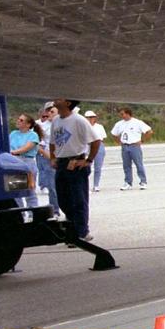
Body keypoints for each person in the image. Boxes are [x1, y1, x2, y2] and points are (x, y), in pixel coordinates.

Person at [49, 98, 102, 241]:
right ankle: (72, 228)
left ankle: (82, 231)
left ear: (67, 103)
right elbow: (52, 142)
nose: (56, 100)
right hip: (61, 163)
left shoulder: (79, 120)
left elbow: (96, 141)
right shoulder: (56, 121)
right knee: (63, 199)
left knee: (79, 199)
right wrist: (53, 158)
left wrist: (88, 160)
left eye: (61, 99)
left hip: (75, 161)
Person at [110, 107, 152, 190]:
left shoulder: (137, 122)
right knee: (126, 165)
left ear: (128, 113)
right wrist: (119, 142)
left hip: (134, 146)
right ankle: (128, 182)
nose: (122, 116)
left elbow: (149, 131)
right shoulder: (119, 124)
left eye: (123, 114)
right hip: (125, 146)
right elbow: (114, 134)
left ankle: (143, 181)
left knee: (138, 164)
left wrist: (142, 140)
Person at [8, 113, 42, 208]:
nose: (18, 121)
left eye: (21, 120)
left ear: (28, 124)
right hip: (14, 162)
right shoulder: (13, 133)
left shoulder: (33, 135)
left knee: (29, 191)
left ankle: (33, 213)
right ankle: (20, 214)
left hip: (26, 162)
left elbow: (26, 148)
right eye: (18, 119)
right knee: (15, 191)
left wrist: (13, 152)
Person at [36, 104, 59, 216]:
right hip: (48, 157)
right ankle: (55, 210)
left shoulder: (64, 124)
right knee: (52, 186)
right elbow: (38, 144)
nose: (49, 113)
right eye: (48, 111)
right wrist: (50, 156)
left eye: (52, 111)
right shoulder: (41, 126)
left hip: (63, 156)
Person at [84, 110, 107, 192]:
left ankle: (96, 185)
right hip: (87, 145)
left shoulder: (99, 127)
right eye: (89, 117)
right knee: (86, 167)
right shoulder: (84, 127)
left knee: (98, 167)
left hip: (98, 145)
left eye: (92, 117)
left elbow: (103, 138)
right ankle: (85, 185)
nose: (91, 119)